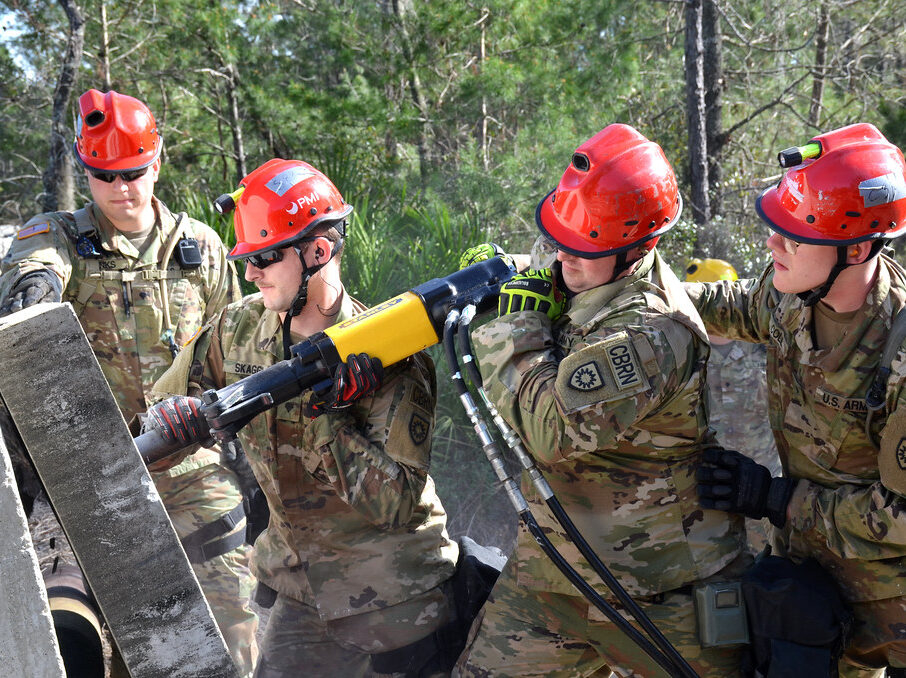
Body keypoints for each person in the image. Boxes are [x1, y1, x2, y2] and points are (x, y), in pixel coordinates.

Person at [454, 124, 747, 678]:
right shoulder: (586, 268)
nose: (565, 255)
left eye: (585, 246)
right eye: (562, 237)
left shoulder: (654, 331)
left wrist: (517, 321)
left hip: (658, 592)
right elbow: (560, 268)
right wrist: (498, 269)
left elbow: (549, 429)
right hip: (555, 574)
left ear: (641, 247)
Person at [150, 158, 459, 678]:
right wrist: (174, 421)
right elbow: (161, 410)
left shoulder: (391, 356)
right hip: (301, 589)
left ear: (317, 252)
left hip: (393, 597)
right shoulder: (240, 326)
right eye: (247, 259)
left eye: (265, 257)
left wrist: (329, 416)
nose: (250, 273)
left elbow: (394, 506)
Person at [0, 89, 258, 676]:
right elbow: (32, 274)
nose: (120, 188)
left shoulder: (204, 250)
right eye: (103, 176)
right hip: (95, 478)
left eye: (133, 173)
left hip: (192, 470)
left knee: (231, 630)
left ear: (158, 162)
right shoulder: (58, 236)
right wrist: (32, 294)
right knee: (128, 647)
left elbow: (232, 350)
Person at [689, 122, 906, 677]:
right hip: (811, 593)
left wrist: (778, 500)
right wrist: (618, 277)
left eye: (795, 235)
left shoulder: (899, 351)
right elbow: (725, 303)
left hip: (891, 615)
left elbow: (901, 515)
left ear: (856, 247)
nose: (772, 244)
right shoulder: (791, 297)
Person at [685, 258, 780, 552]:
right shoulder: (685, 349)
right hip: (709, 486)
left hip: (765, 484)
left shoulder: (766, 346)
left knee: (771, 566)